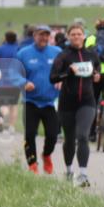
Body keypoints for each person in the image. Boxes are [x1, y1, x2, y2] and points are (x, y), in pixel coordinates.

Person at [52, 23, 101, 187]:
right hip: (67, 103)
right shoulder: (63, 56)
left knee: (83, 136)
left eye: (79, 34)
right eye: (73, 34)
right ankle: (68, 170)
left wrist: (97, 75)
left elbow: (97, 68)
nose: (76, 37)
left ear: (84, 36)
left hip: (87, 102)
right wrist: (68, 73)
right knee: (70, 139)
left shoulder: (91, 54)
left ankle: (83, 174)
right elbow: (53, 77)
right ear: (68, 37)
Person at [17, 25, 62, 174]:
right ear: (34, 36)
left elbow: (65, 70)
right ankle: (32, 164)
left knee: (53, 135)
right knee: (30, 134)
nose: (44, 38)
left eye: (46, 35)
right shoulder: (24, 53)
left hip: (50, 102)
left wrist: (61, 80)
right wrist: (24, 82)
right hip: (30, 101)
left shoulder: (57, 52)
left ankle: (46, 155)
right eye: (41, 35)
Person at [0, 31, 25, 132]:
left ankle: (1, 118)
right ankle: (11, 127)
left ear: (6, 38)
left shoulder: (0, 49)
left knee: (4, 104)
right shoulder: (19, 49)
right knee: (14, 105)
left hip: (2, 81)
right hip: (16, 82)